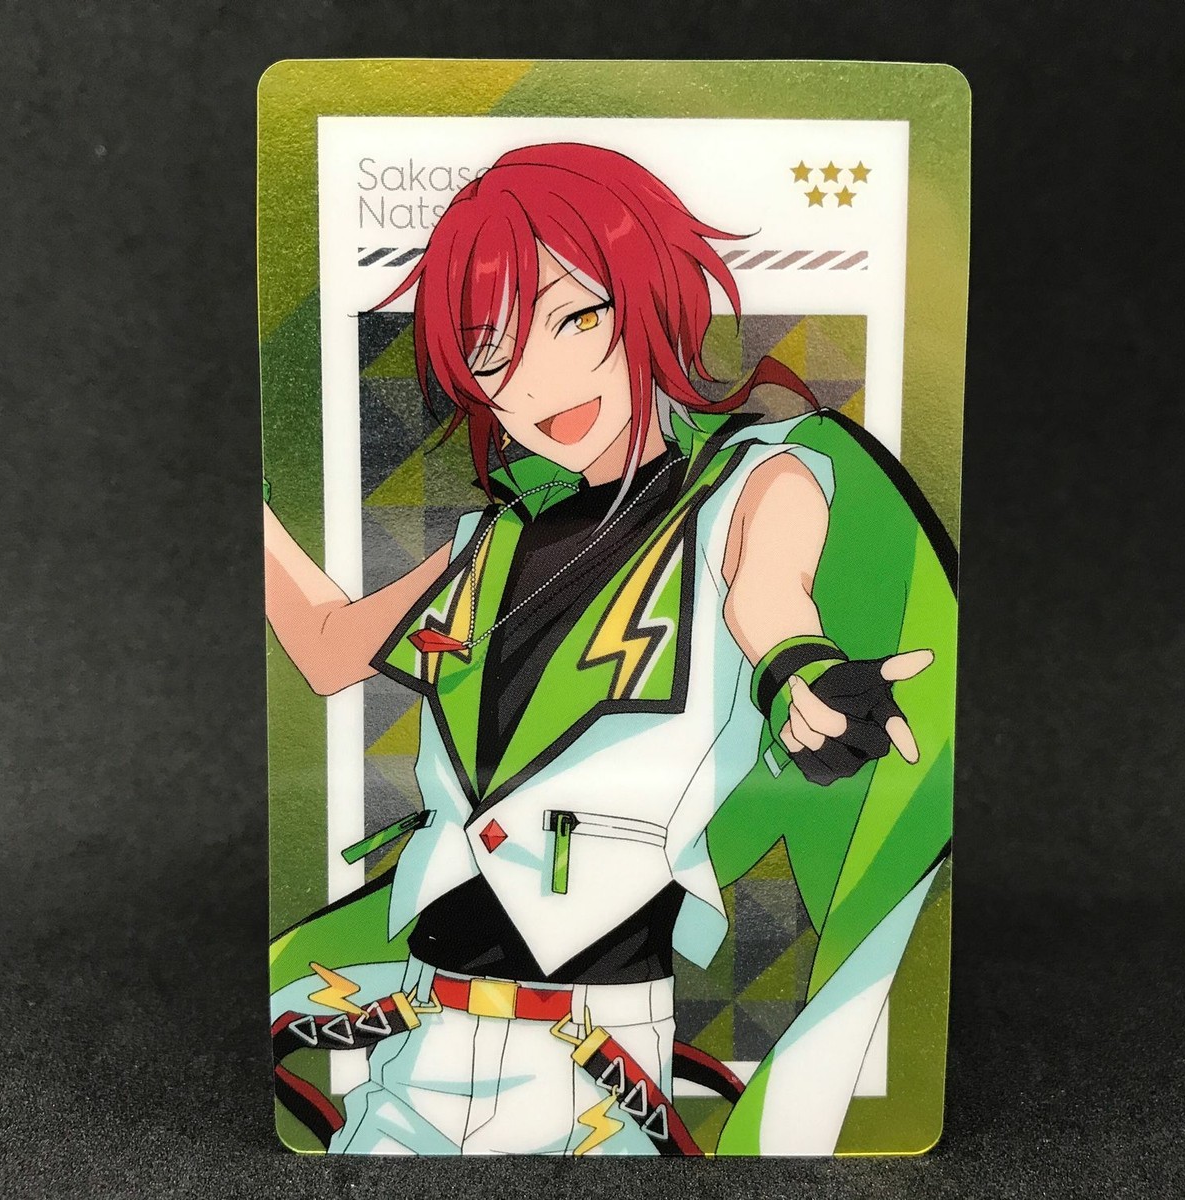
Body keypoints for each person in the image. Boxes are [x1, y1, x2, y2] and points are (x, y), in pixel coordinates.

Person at [264, 142, 952, 1155]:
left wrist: (801, 674)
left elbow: (768, 593)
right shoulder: (488, 540)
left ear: (652, 303)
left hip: (596, 1068)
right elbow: (329, 650)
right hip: (418, 1039)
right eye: (490, 351)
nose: (537, 380)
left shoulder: (754, 480)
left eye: (576, 317)